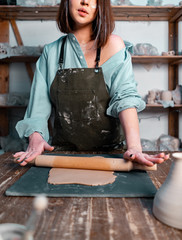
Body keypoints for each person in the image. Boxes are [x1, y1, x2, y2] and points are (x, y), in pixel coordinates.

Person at [14, 0, 169, 166]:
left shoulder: (114, 45)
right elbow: (38, 109)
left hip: (112, 155)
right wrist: (36, 139)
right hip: (62, 155)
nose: (84, 2)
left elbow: (125, 98)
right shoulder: (51, 52)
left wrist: (135, 147)